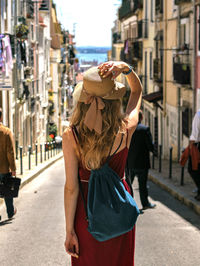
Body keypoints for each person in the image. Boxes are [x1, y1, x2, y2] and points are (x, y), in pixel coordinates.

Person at [62, 61, 142, 265]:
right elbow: (137, 92)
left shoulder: (71, 136)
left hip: (86, 214)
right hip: (118, 209)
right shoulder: (125, 130)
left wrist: (70, 231)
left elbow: (71, 188)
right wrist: (126, 69)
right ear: (115, 101)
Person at [126, 110, 156, 210]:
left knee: (128, 185)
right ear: (142, 118)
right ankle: (145, 203)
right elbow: (150, 146)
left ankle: (128, 204)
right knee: (142, 185)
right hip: (142, 162)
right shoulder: (145, 129)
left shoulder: (128, 129)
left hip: (130, 162)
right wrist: (154, 151)